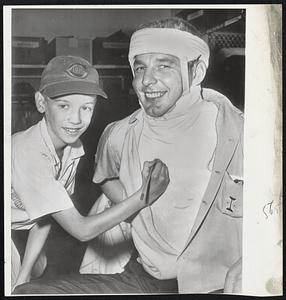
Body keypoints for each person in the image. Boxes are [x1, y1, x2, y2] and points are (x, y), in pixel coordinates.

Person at [14, 17, 244, 294]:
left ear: (197, 71)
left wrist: (253, 262)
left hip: (217, 285)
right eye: (140, 67)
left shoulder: (243, 134)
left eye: (164, 65)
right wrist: (137, 205)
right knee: (28, 293)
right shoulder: (121, 134)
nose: (147, 80)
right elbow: (103, 178)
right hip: (143, 279)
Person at [11, 55, 169, 291]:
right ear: (41, 103)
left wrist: (25, 272)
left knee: (27, 281)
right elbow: (81, 230)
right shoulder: (30, 153)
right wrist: (143, 196)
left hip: (17, 233)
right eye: (64, 106)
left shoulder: (72, 149)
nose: (76, 119)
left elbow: (44, 216)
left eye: (86, 107)